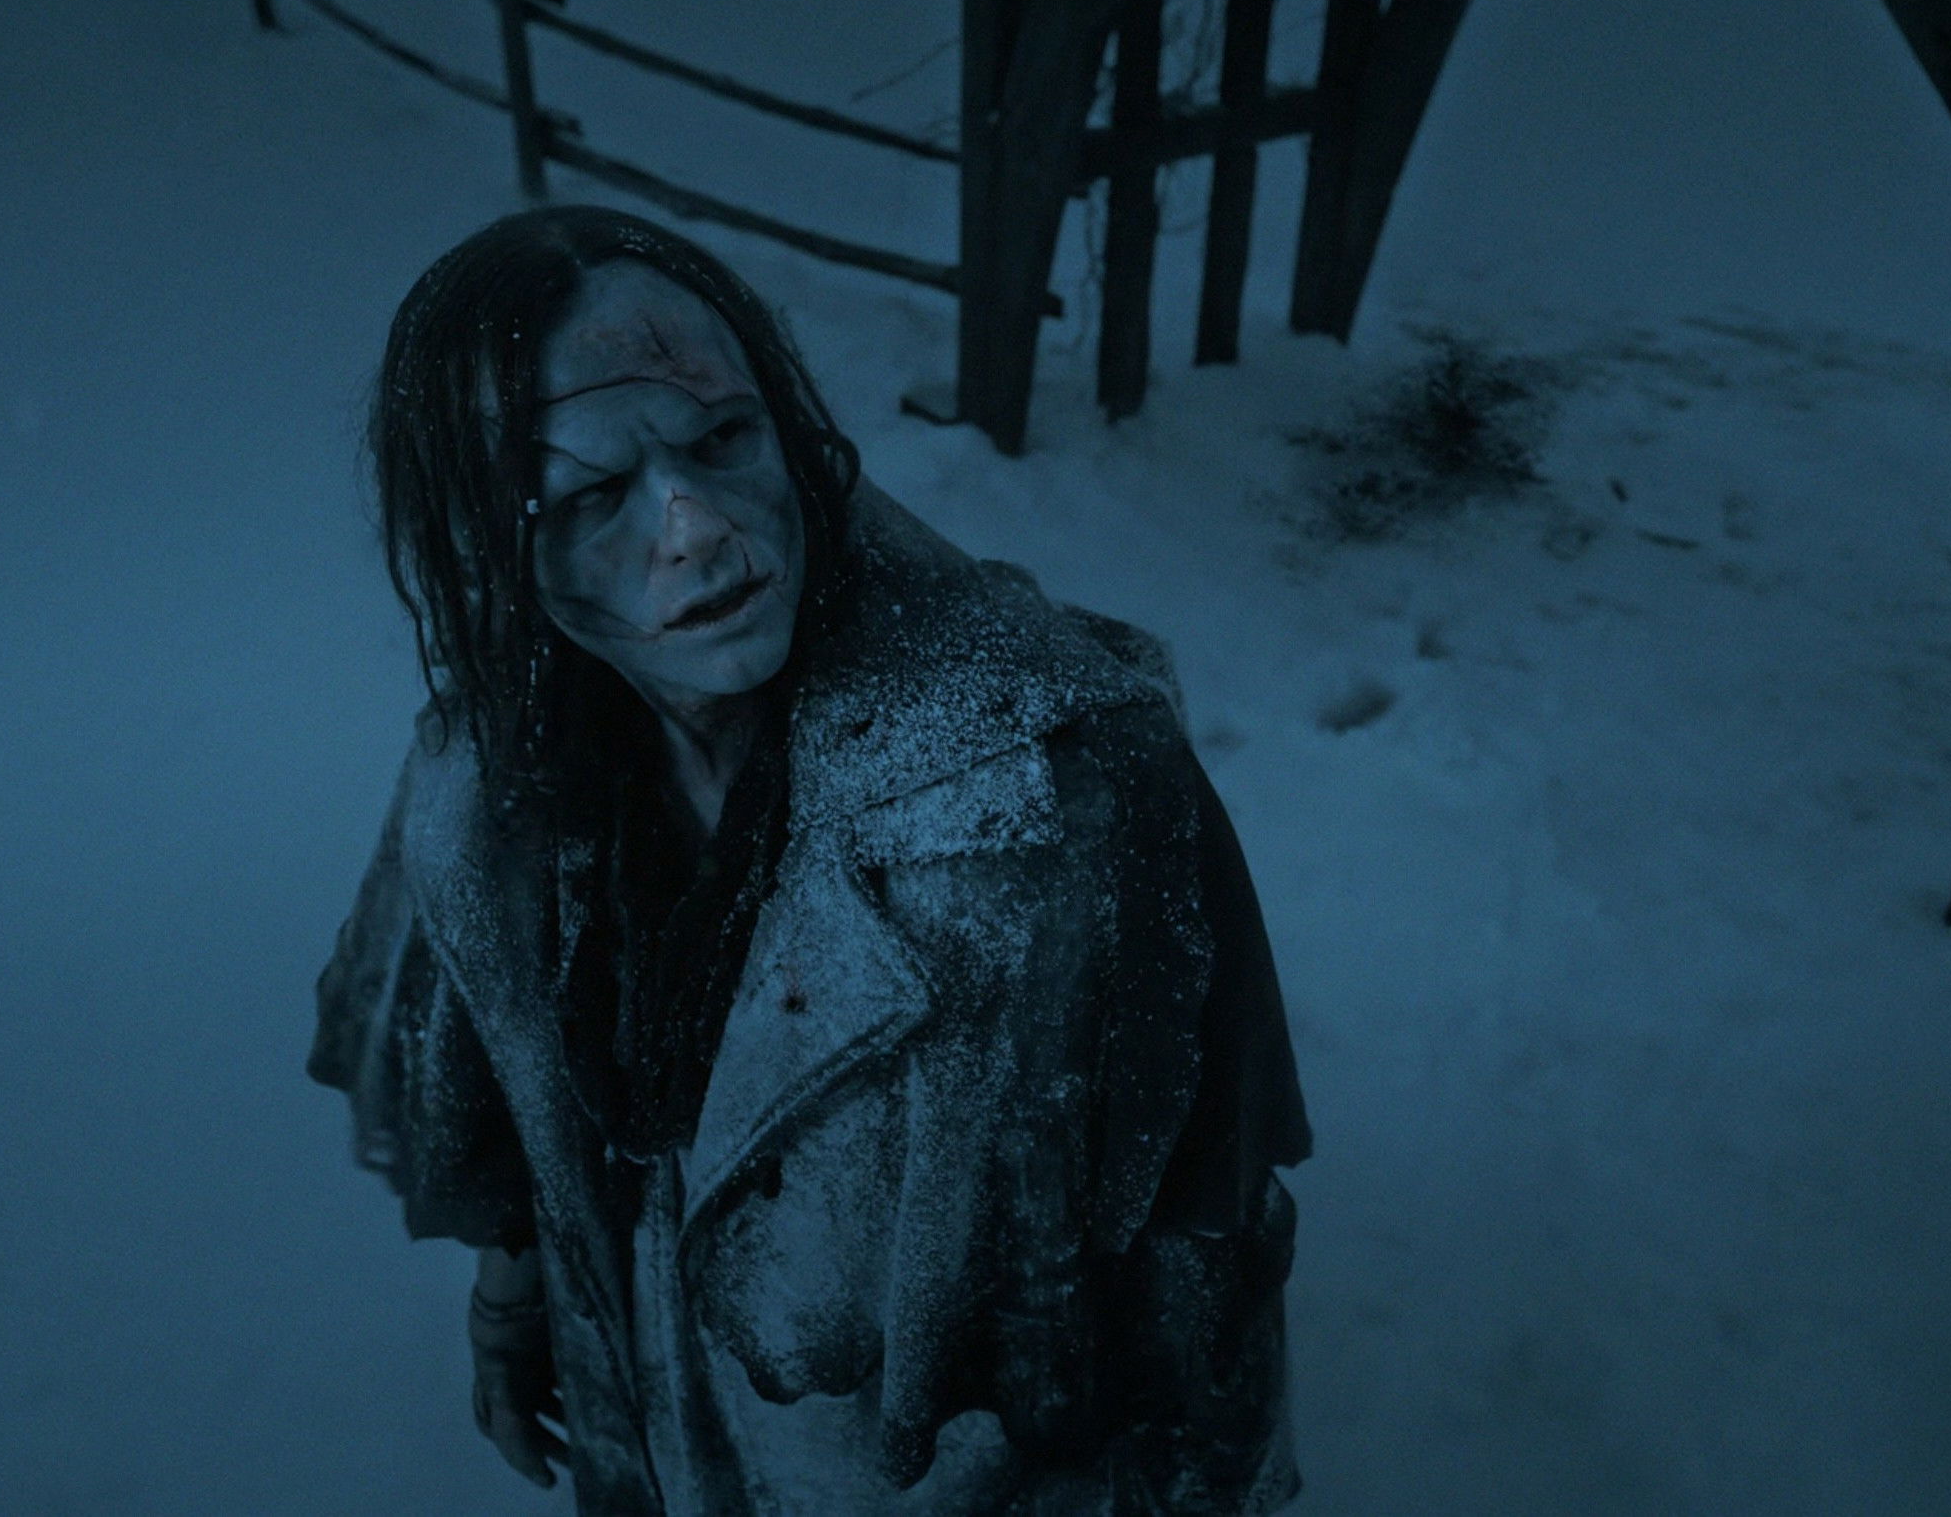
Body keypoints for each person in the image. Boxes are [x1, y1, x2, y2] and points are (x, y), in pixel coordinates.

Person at [309, 205, 1311, 1515]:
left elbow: (1200, 1259)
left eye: (725, 439)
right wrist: (521, 1296)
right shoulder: (484, 777)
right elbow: (499, 1099)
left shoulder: (1062, 787)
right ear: (487, 541)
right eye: (596, 494)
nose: (700, 530)